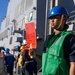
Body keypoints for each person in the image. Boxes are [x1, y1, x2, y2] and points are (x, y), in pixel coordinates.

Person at [42, 6, 75, 75]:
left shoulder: (69, 38)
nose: (52, 20)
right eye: (51, 18)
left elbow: (73, 64)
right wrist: (35, 55)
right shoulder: (49, 39)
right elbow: (48, 59)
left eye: (55, 17)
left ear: (64, 19)